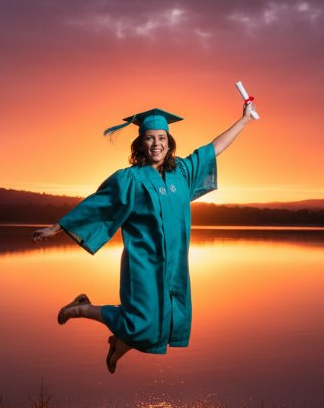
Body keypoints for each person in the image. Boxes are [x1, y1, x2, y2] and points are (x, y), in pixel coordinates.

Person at [31, 102, 256, 373]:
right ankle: (81, 309)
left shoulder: (182, 173)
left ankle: (118, 342)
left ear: (169, 143)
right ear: (140, 144)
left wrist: (244, 120)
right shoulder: (130, 180)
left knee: (159, 324)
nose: (156, 144)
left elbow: (213, 148)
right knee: (141, 324)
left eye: (162, 138)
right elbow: (97, 204)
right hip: (143, 265)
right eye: (150, 138)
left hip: (174, 266)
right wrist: (55, 228)